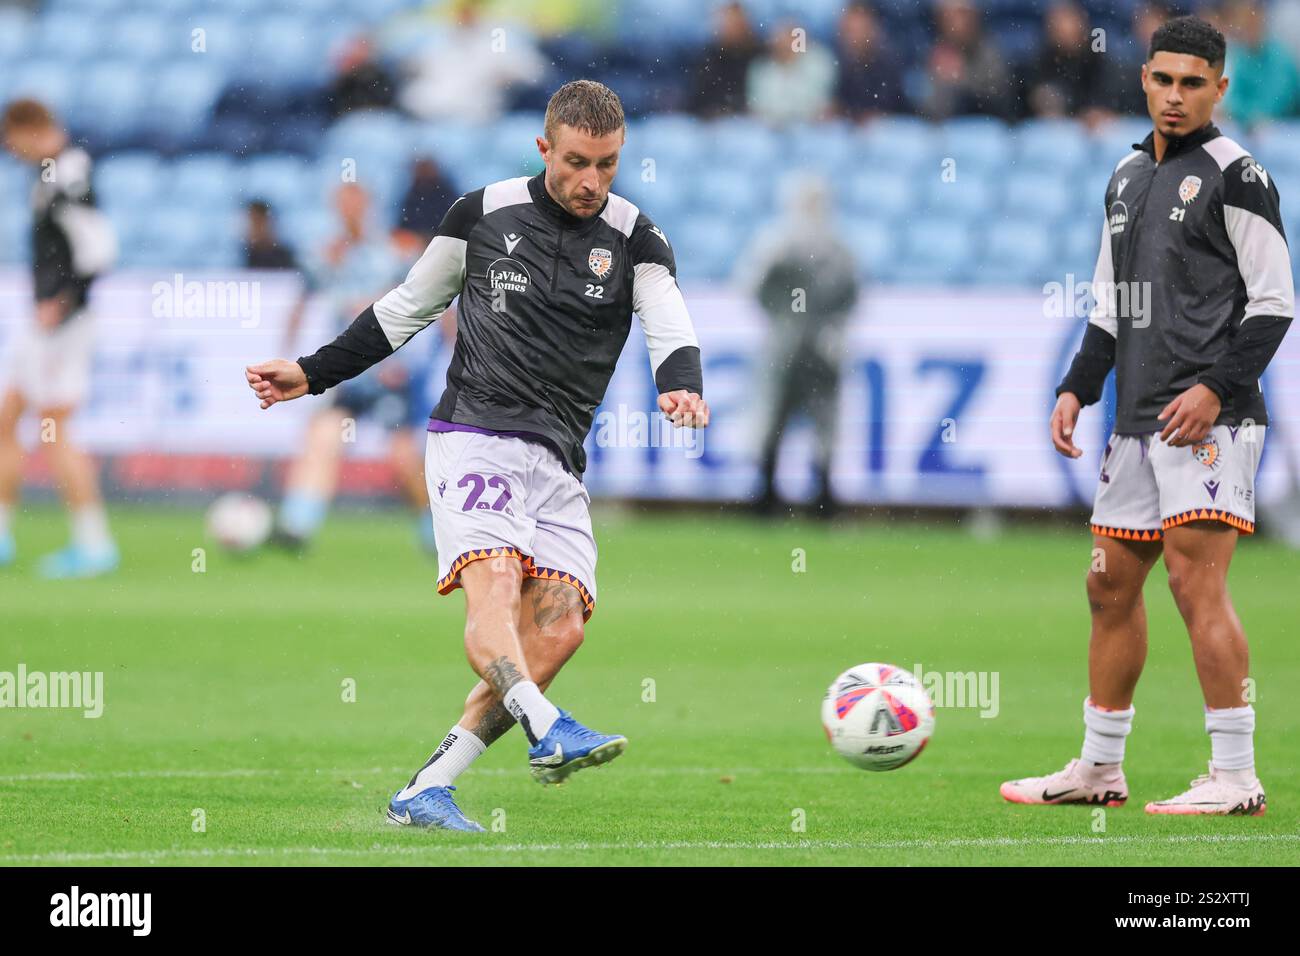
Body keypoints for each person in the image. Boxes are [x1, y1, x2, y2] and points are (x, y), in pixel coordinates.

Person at [245, 80, 709, 830]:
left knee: (559, 627)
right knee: (492, 589)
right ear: (543, 149)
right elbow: (404, 309)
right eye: (577, 162)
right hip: (475, 437)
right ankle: (546, 724)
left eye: (609, 165)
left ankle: (427, 787)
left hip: (558, 461)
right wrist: (312, 371)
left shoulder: (636, 237)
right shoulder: (481, 215)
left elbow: (668, 317)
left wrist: (680, 383)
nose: (592, 181)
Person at [1004, 16, 1293, 816]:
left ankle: (1235, 776)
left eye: (1193, 83)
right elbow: (1109, 304)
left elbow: (1275, 304)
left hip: (1211, 419)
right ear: (1144, 80)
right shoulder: (1127, 175)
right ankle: (1100, 768)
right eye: (1164, 80)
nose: (1175, 96)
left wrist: (1214, 388)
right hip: (1135, 419)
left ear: (1219, 89)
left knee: (1194, 583)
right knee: (1108, 585)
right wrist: (1075, 386)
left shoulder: (1240, 176)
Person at [271, 183, 433, 554]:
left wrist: (443, 349)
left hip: (388, 372)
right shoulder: (328, 254)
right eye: (341, 204)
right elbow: (304, 296)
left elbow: (429, 300)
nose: (348, 211)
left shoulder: (396, 250)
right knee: (323, 436)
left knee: (403, 459)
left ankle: (434, 531)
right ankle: (297, 526)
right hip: (345, 370)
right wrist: (288, 347)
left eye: (353, 203)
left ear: (368, 205)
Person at [0, 99, 118, 578]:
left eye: (13, 142)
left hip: (63, 322)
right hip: (47, 319)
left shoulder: (67, 170)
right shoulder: (55, 171)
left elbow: (98, 246)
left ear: (31, 131)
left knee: (54, 425)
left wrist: (64, 299)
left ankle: (94, 544)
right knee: (8, 416)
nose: (13, 152)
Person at [738, 172, 858, 518]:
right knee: (777, 414)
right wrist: (785, 321)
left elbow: (849, 297)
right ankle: (775, 494)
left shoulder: (826, 247)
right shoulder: (789, 245)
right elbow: (755, 287)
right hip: (794, 344)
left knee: (818, 419)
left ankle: (816, 495)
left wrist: (803, 322)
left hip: (808, 345)